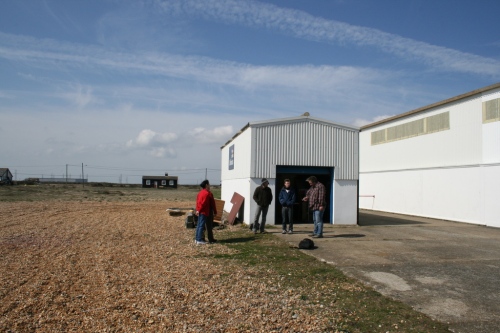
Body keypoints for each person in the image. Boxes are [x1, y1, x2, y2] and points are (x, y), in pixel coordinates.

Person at [195, 180, 217, 245]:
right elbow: (205, 203)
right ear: (206, 185)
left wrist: (197, 210)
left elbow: (198, 202)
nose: (210, 185)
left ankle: (198, 238)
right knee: (203, 225)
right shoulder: (207, 193)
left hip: (201, 210)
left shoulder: (200, 193)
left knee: (200, 225)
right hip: (205, 211)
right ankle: (200, 239)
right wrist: (199, 210)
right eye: (209, 184)